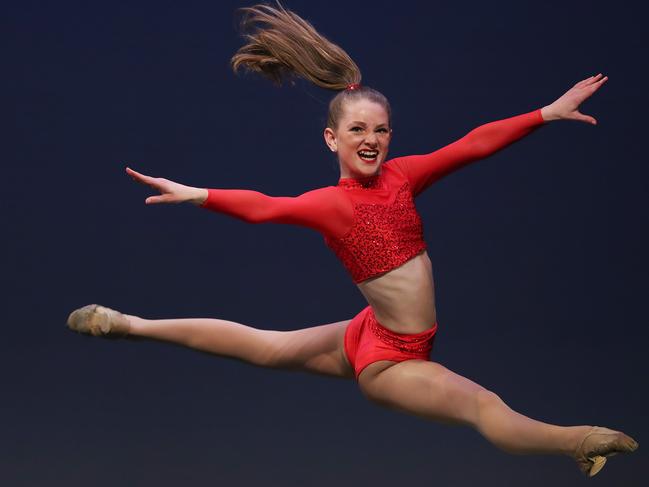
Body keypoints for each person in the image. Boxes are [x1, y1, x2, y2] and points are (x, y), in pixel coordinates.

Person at [67, 3, 637, 478]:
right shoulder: (332, 204)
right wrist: (197, 194)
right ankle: (579, 440)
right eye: (357, 131)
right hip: (390, 363)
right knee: (482, 406)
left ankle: (127, 325)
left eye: (381, 129)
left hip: (373, 331)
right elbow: (266, 208)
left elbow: (472, 144)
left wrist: (545, 113)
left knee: (266, 347)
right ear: (331, 138)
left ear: (391, 134)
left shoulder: (404, 177)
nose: (371, 140)